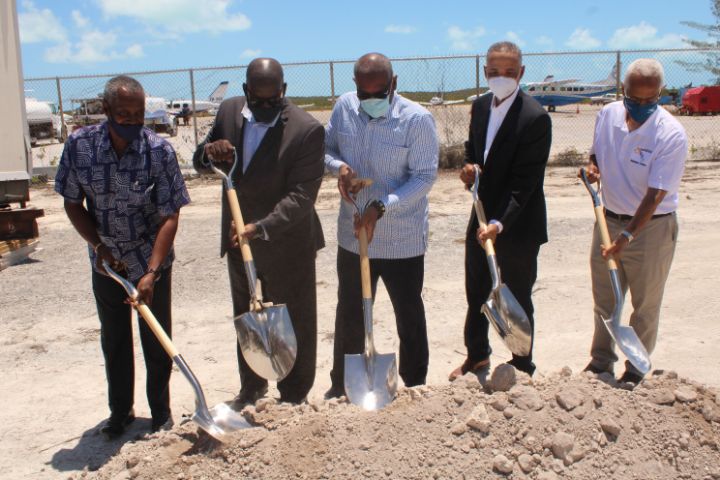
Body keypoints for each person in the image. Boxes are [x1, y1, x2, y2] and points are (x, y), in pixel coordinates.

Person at [54, 75, 190, 439]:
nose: (131, 120)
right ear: (106, 111)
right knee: (114, 339)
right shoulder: (80, 146)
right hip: (106, 262)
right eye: (123, 113)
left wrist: (151, 271)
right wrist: (99, 248)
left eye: (138, 114)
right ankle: (120, 412)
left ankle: (160, 412)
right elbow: (72, 202)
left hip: (151, 260)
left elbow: (170, 215)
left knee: (156, 338)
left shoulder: (158, 151)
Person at [192, 58, 325, 406]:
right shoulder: (229, 111)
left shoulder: (306, 129)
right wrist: (209, 153)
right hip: (239, 240)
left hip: (288, 241)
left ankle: (294, 394)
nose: (266, 106)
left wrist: (260, 228)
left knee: (295, 319)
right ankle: (251, 387)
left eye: (274, 100)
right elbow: (199, 162)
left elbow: (301, 197)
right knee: (248, 316)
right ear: (246, 91)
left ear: (283, 90)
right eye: (258, 100)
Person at [324, 52, 439, 398]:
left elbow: (423, 177)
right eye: (364, 93)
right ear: (355, 87)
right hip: (354, 234)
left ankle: (415, 383)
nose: (370, 100)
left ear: (394, 84)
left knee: (408, 312)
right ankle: (343, 384)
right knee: (350, 312)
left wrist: (382, 206)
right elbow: (326, 149)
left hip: (401, 238)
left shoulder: (417, 120)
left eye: (379, 92)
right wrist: (338, 167)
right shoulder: (344, 108)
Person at [582, 58, 687, 385]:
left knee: (645, 304)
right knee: (605, 300)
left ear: (659, 94)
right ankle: (601, 362)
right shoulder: (607, 115)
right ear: (622, 91)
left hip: (652, 229)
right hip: (608, 220)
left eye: (649, 100)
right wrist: (592, 168)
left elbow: (655, 195)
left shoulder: (670, 134)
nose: (641, 106)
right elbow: (596, 154)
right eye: (634, 99)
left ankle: (636, 369)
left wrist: (627, 236)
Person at [451, 41, 551, 380]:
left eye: (509, 72)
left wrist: (499, 223)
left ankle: (522, 363)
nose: (501, 77)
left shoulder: (534, 117)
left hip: (517, 223)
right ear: (485, 73)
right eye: (494, 72)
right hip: (481, 214)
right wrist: (469, 168)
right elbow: (472, 149)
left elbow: (526, 183)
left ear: (521, 72)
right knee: (477, 289)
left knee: (516, 295)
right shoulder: (480, 107)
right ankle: (477, 356)